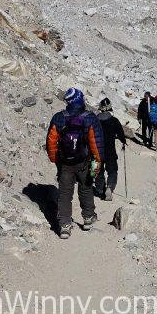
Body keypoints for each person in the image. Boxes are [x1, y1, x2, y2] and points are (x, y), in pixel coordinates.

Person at [45, 88, 105, 239]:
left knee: (65, 193)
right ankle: (88, 218)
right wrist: (97, 162)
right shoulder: (89, 117)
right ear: (80, 99)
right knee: (86, 189)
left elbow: (51, 141)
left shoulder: (59, 117)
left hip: (65, 163)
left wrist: (55, 159)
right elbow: (96, 143)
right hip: (84, 162)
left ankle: (64, 225)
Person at [94, 97, 127, 201]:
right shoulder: (114, 121)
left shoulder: (94, 120)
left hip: (95, 151)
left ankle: (100, 189)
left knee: (96, 171)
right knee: (112, 171)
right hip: (110, 151)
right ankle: (109, 188)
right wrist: (123, 141)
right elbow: (121, 135)